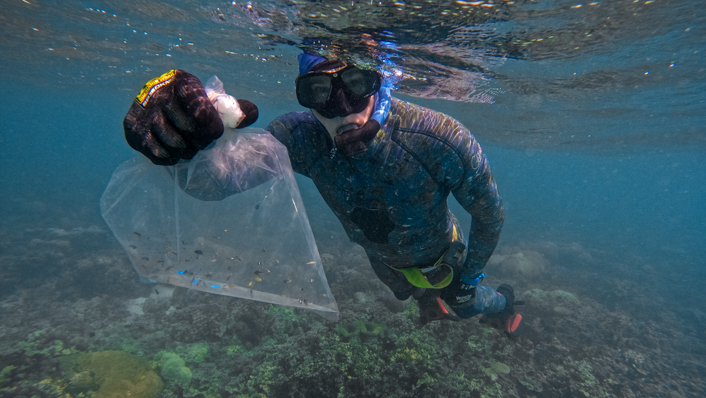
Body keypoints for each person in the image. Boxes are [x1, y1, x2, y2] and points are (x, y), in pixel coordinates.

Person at [122, 54, 523, 335]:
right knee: (405, 292)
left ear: (377, 80)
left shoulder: (437, 137)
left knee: (466, 305)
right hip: (384, 263)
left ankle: (506, 305)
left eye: (356, 84)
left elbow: (491, 214)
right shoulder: (302, 139)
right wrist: (186, 143)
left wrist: (470, 277)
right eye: (319, 91)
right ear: (306, 98)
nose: (344, 109)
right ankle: (425, 300)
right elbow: (212, 185)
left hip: (445, 257)